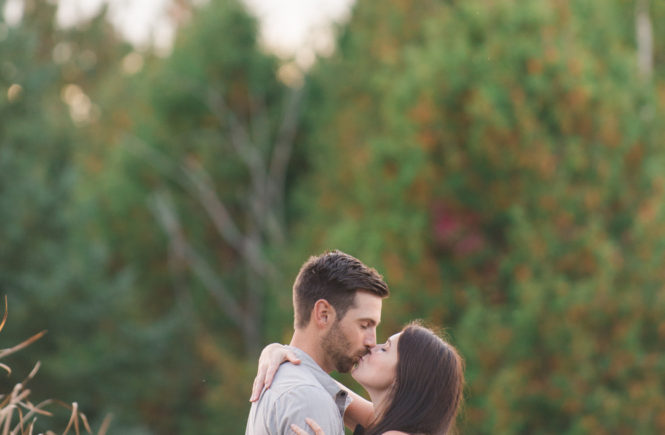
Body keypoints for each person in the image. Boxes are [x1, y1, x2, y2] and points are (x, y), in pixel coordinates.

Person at [245, 250, 390, 435]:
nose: (372, 342)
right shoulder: (308, 397)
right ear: (323, 314)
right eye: (364, 325)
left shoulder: (292, 384)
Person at [252, 322, 464, 435]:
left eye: (385, 349)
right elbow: (320, 382)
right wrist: (275, 352)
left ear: (406, 377)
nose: (372, 347)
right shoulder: (390, 422)